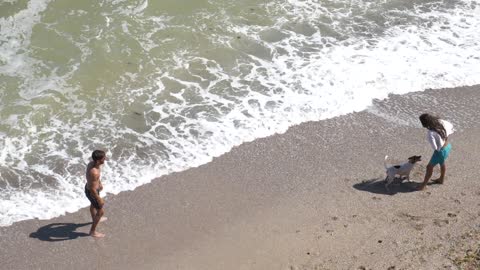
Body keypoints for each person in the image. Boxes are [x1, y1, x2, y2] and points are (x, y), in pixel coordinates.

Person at [417, 113, 455, 191]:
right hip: (448, 146)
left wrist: (437, 148)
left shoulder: (430, 133)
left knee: (429, 167)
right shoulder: (440, 122)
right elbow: (451, 128)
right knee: (442, 162)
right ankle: (441, 179)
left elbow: (435, 147)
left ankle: (423, 186)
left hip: (441, 151)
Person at [85, 150, 107, 237]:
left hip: (91, 190)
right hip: (92, 193)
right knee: (101, 212)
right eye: (103, 158)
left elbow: (94, 180)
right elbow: (92, 189)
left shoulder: (93, 164)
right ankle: (92, 232)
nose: (105, 159)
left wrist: (100, 183)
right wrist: (99, 199)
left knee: (93, 205)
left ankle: (94, 218)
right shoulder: (94, 172)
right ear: (98, 160)